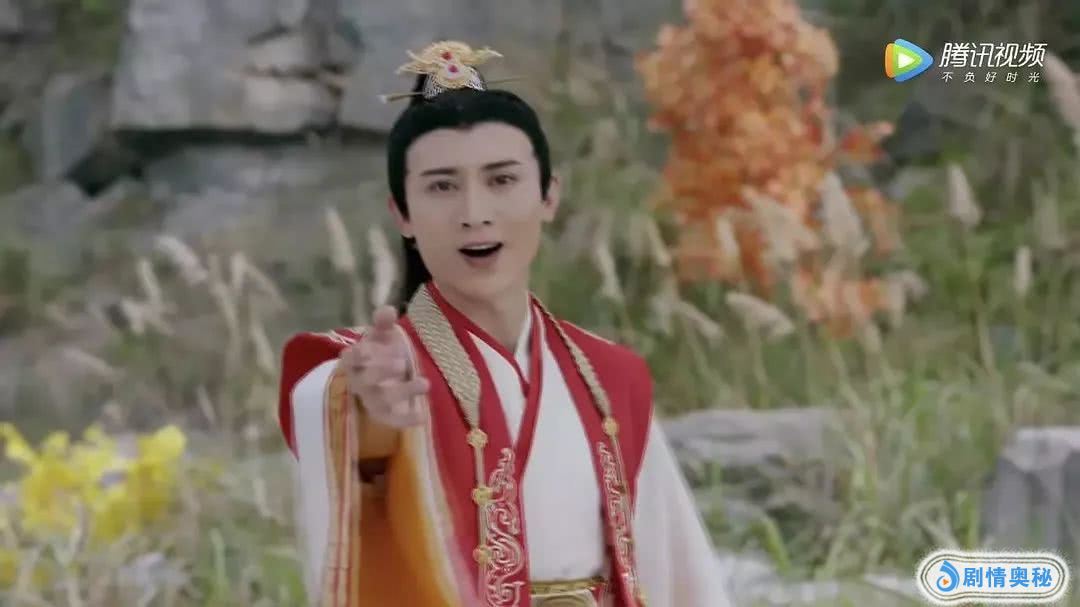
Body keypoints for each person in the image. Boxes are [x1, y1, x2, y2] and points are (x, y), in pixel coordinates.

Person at [278, 40, 731, 607]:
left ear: (548, 196)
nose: (475, 213)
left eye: (502, 180)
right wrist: (373, 415)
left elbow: (676, 566)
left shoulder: (611, 376)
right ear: (403, 214)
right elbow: (340, 418)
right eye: (442, 186)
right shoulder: (375, 370)